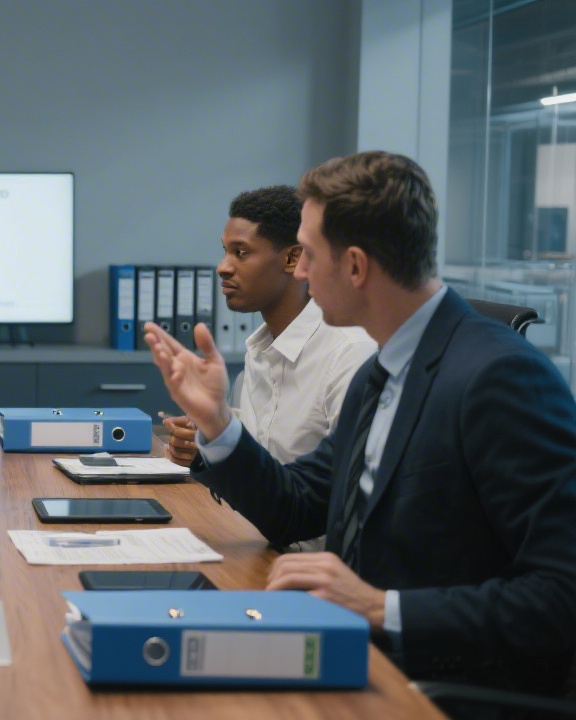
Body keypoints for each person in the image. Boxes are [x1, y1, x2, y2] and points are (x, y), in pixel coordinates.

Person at [143, 151, 576, 696]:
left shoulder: (501, 376)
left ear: (354, 266)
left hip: (429, 685)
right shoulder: (382, 371)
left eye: (309, 256)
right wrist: (220, 425)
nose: (298, 270)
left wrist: (380, 606)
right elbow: (299, 504)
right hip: (344, 653)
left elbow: (561, 596)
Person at [161, 186, 375, 470]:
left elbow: (337, 491)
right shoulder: (260, 350)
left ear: (292, 259)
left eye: (241, 252)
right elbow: (263, 469)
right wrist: (212, 442)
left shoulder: (350, 354)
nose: (223, 267)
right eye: (225, 251)